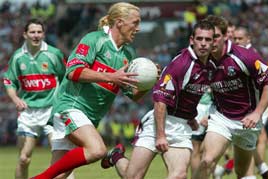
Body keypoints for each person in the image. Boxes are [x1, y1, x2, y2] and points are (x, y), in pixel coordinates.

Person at [30, 2, 151, 179]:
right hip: (70, 106)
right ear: (119, 22)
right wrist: (111, 77)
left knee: (59, 176)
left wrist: (147, 83)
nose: (138, 28)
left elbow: (133, 95)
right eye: (135, 22)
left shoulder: (128, 55)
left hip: (88, 119)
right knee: (97, 149)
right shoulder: (95, 40)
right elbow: (73, 71)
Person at [100, 19, 215, 179]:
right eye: (199, 39)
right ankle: (116, 156)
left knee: (179, 175)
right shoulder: (181, 64)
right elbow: (160, 100)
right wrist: (161, 135)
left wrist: (189, 117)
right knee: (132, 177)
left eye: (207, 39)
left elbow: (188, 94)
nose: (203, 43)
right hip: (158, 123)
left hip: (180, 128)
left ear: (213, 42)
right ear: (192, 40)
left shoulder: (211, 65)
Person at [193, 15, 268, 179]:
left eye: (216, 37)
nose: (211, 42)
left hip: (248, 121)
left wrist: (257, 113)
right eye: (208, 38)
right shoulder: (201, 59)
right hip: (222, 119)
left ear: (226, 36)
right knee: (207, 160)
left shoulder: (245, 56)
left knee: (242, 172)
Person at [2, 18, 66, 179]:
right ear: (25, 34)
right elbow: (9, 81)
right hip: (28, 112)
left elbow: (66, 78)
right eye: (32, 32)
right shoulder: (17, 57)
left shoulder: (54, 54)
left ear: (43, 34)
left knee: (62, 159)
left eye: (39, 32)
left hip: (52, 111)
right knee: (24, 158)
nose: (36, 35)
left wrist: (63, 102)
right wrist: (15, 99)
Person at [234, 26, 268, 179]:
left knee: (258, 139)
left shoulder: (251, 55)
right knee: (254, 139)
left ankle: (257, 170)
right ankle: (260, 170)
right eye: (234, 39)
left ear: (248, 39)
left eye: (239, 39)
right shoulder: (236, 55)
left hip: (258, 103)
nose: (236, 41)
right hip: (247, 105)